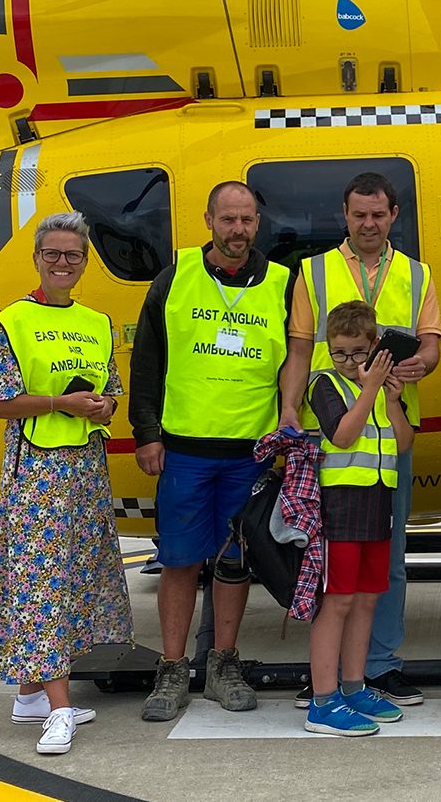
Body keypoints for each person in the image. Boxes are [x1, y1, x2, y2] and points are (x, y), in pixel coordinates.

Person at [0, 211, 133, 755]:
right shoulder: (10, 320)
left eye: (73, 256)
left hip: (84, 468)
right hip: (38, 472)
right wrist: (61, 402)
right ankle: (59, 711)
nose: (64, 263)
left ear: (85, 262)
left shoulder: (97, 322)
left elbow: (110, 395)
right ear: (37, 259)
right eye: (53, 254)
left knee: (72, 578)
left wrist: (103, 406)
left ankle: (30, 693)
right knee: (42, 583)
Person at [130, 180, 291, 722]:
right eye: (228, 219)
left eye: (246, 220)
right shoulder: (175, 278)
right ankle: (172, 669)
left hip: (250, 452)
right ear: (208, 220)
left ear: (257, 224)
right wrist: (147, 432)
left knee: (234, 562)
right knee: (178, 561)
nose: (238, 230)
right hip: (184, 450)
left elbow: (294, 362)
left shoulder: (281, 284)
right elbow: (147, 360)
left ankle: (223, 665)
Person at [281, 172, 441, 708]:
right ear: (344, 216)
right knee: (336, 579)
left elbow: (432, 349)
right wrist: (288, 413)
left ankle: (379, 668)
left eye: (378, 214)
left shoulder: (417, 274)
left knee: (386, 565)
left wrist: (415, 367)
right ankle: (328, 681)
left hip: (388, 441)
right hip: (336, 440)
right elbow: (301, 351)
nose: (368, 223)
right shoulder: (314, 270)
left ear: (394, 214)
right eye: (358, 214)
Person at [303, 301, 416, 735]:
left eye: (356, 353)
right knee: (338, 602)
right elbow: (343, 434)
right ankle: (323, 700)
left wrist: (390, 400)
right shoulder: (326, 384)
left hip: (379, 504)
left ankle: (353, 685)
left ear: (374, 347)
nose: (348, 362)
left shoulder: (379, 390)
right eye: (339, 353)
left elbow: (403, 442)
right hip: (342, 507)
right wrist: (369, 388)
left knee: (367, 599)